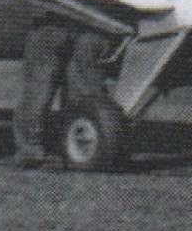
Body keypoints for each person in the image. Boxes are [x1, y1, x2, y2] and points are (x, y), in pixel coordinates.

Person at [11, 14, 124, 169]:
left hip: (53, 22)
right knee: (85, 96)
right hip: (95, 24)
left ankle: (30, 152)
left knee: (37, 93)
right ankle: (80, 148)